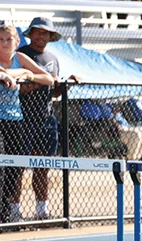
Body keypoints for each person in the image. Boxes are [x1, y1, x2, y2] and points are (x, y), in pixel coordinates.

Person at [17, 17, 80, 220]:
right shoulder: (21, 55)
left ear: (51, 36)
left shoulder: (53, 58)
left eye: (45, 32)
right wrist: (41, 81)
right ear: (31, 33)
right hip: (21, 119)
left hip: (46, 119)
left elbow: (54, 94)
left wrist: (66, 84)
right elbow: (19, 88)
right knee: (17, 167)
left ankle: (41, 210)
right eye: (37, 31)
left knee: (42, 166)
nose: (41, 35)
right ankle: (13, 211)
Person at [0, 23, 55, 223]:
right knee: (1, 166)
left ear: (16, 42)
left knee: (15, 166)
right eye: (1, 39)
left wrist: (27, 73)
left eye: (9, 39)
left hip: (16, 119)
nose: (5, 43)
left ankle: (6, 212)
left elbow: (48, 79)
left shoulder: (20, 59)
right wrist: (13, 73)